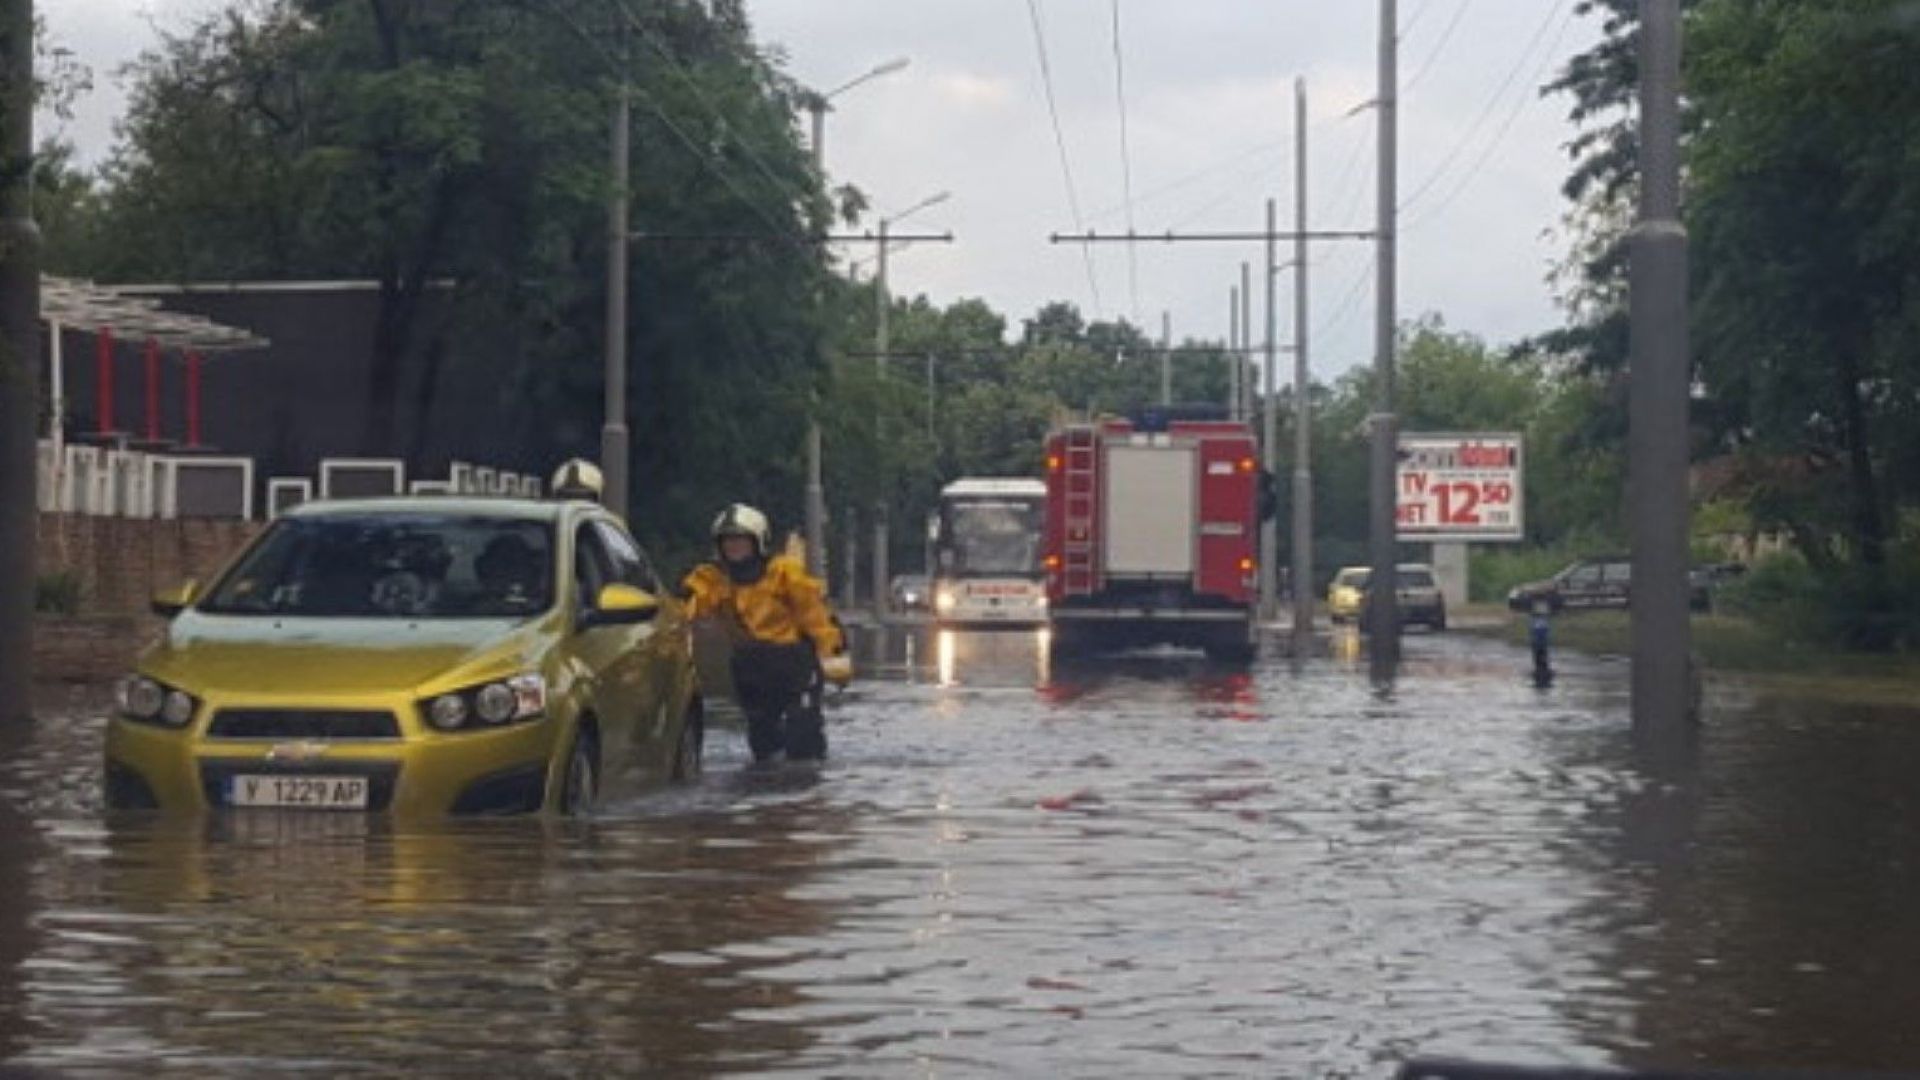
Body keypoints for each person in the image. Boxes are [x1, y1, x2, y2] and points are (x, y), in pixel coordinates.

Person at [681, 504, 852, 763]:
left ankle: (806, 779)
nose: (733, 547)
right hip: (750, 668)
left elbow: (816, 617)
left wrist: (833, 657)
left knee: (803, 734)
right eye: (727, 541)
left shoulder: (784, 573)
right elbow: (689, 605)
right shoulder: (713, 579)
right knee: (763, 742)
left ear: (758, 541)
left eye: (741, 541)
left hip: (794, 665)